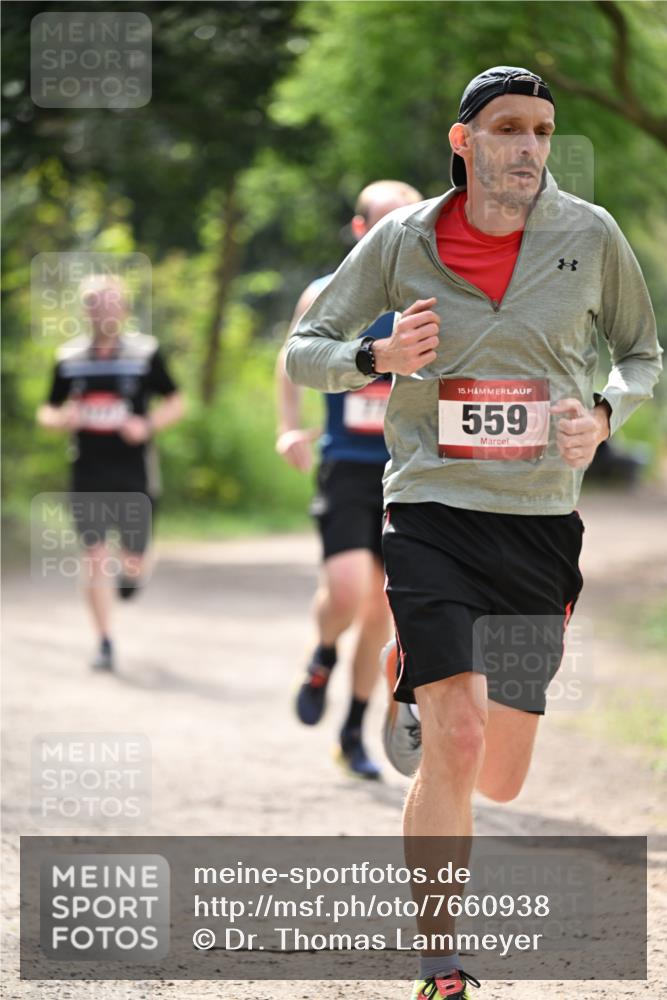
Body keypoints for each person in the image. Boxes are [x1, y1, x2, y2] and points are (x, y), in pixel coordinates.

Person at [285, 66, 662, 1000]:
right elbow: (304, 350)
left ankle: (410, 676)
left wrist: (603, 414)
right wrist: (375, 355)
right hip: (429, 510)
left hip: (538, 523)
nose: (528, 146)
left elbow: (642, 355)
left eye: (540, 130)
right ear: (464, 141)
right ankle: (438, 963)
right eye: (507, 128)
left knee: (500, 777)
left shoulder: (590, 234)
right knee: (455, 736)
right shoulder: (401, 239)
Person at [276, 181, 423, 780]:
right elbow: (291, 359)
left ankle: (353, 730)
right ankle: (322, 656)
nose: (396, 233)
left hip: (407, 472)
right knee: (345, 590)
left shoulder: (433, 296)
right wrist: (288, 427)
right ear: (360, 229)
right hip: (347, 465)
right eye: (384, 222)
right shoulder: (325, 293)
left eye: (407, 221)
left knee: (381, 608)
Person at [37, 275, 184, 672]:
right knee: (95, 556)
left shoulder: (145, 353)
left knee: (133, 560)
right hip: (87, 471)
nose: (103, 311)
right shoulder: (69, 358)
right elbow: (47, 409)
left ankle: (132, 575)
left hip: (134, 471)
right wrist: (61, 419)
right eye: (95, 304)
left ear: (124, 309)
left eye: (111, 303)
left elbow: (176, 402)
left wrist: (147, 425)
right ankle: (103, 640)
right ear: (85, 311)